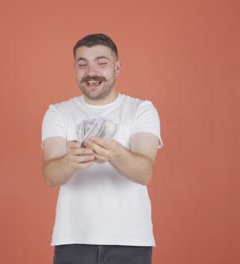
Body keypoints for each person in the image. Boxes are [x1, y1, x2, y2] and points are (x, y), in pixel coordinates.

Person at [41, 33, 163, 264]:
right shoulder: (57, 112)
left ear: (117, 68)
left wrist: (114, 153)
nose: (91, 72)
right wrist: (71, 160)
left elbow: (144, 173)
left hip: (132, 241)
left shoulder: (141, 110)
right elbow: (51, 177)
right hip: (73, 240)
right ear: (75, 69)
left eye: (101, 62)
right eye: (82, 64)